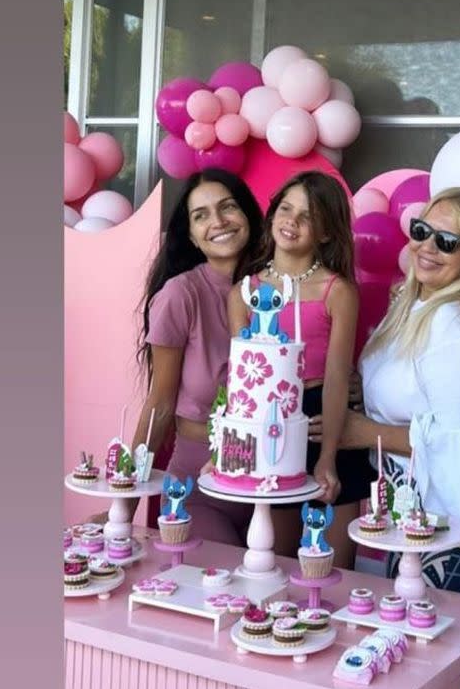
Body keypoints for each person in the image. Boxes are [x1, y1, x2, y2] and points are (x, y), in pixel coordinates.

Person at [316, 185, 460, 593]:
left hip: (451, 533)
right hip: (412, 519)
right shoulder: (415, 305)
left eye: (448, 241)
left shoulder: (457, 329)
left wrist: (362, 432)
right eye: (422, 231)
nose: (427, 247)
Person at [226, 171, 370, 568]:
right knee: (277, 560)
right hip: (271, 422)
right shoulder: (244, 291)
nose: (292, 221)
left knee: (332, 568)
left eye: (308, 216)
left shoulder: (337, 290)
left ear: (325, 233)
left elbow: (339, 374)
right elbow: (241, 379)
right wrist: (226, 450)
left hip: (325, 413)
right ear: (272, 216)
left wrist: (327, 455)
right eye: (286, 209)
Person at [132, 170, 263, 544]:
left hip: (276, 485)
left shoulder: (281, 289)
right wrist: (122, 504)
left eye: (227, 207)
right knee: (230, 590)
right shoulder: (181, 294)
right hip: (198, 488)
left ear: (249, 215)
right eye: (201, 215)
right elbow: (159, 404)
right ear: (189, 234)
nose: (218, 222)